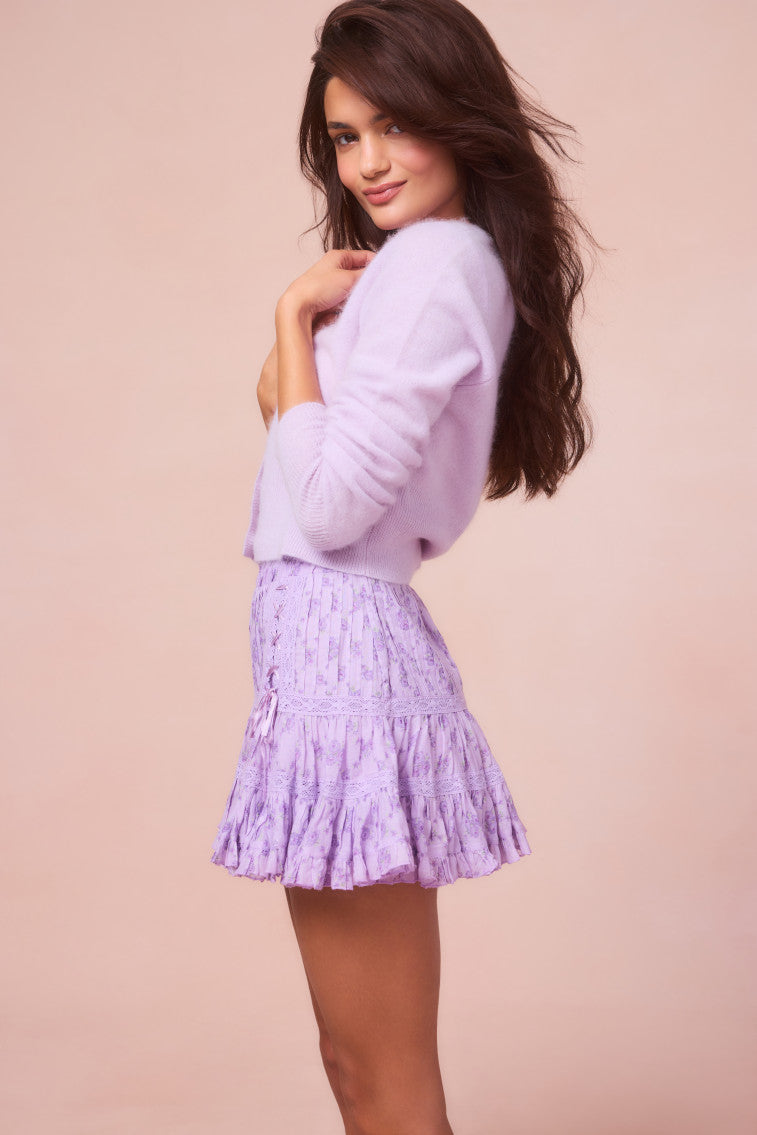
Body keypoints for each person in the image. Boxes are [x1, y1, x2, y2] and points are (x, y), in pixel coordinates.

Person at [211, 1, 597, 1131]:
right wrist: (297, 367)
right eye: (345, 137)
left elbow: (329, 505)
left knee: (380, 1073)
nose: (369, 162)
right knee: (357, 1062)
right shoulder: (424, 266)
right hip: (331, 655)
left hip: (346, 657)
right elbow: (324, 469)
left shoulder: (432, 262)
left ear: (457, 119)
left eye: (395, 125)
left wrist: (289, 324)